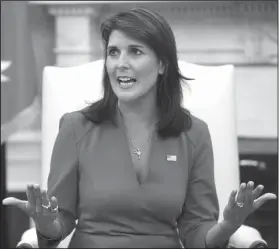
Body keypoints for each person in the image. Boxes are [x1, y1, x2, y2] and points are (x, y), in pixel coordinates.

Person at [2, 7, 277, 248]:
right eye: (113, 52)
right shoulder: (75, 127)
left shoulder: (194, 134)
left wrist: (228, 225)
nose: (120, 64)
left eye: (135, 51)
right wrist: (46, 223)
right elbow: (59, 221)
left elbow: (197, 231)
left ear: (162, 65)